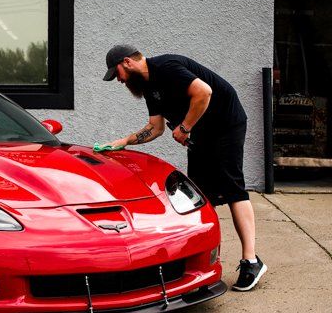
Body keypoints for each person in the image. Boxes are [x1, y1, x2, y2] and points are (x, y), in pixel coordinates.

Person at [100, 44, 267, 291]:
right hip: (201, 132)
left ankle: (251, 261)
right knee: (199, 194)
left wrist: (185, 127)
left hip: (225, 124)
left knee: (232, 187)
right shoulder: (148, 88)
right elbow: (155, 128)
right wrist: (123, 142)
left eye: (118, 75)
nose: (119, 81)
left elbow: (204, 92)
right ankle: (202, 260)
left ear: (127, 62)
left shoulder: (166, 67)